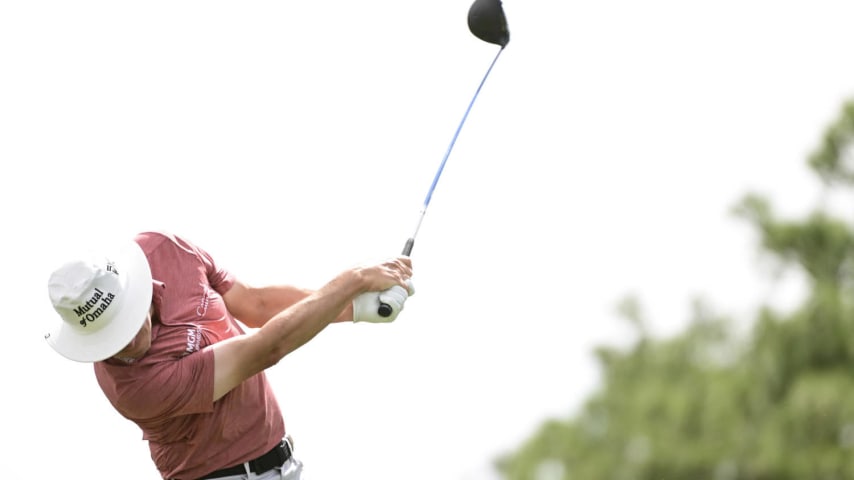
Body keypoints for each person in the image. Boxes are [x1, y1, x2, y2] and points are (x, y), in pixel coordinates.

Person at [44, 230, 414, 480]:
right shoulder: (136, 390)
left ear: (134, 287)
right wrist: (353, 281)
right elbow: (267, 348)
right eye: (108, 340)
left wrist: (357, 308)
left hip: (281, 464)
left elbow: (255, 304)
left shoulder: (165, 250)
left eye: (125, 323)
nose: (126, 345)